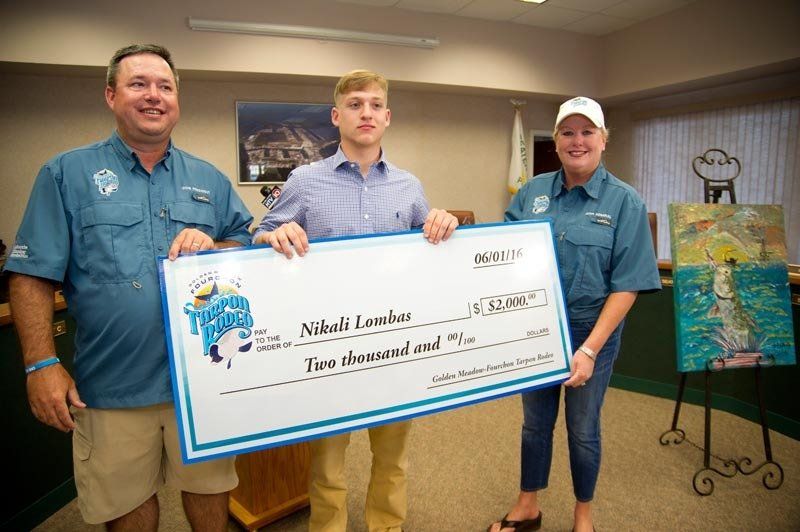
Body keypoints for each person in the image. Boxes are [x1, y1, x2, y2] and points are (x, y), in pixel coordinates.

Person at [5, 44, 253, 530]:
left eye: (165, 86)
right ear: (111, 95)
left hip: (201, 381)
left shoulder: (210, 179)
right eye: (138, 84)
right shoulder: (65, 174)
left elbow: (244, 245)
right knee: (125, 504)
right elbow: (31, 274)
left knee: (210, 489)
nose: (153, 96)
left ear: (178, 99)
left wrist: (216, 245)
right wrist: (40, 363)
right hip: (113, 387)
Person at [253, 69, 458, 532]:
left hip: (394, 346)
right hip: (328, 347)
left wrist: (443, 223)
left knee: (393, 457)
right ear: (336, 115)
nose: (365, 112)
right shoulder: (304, 180)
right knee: (327, 464)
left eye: (374, 104)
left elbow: (433, 250)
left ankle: (386, 526)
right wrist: (273, 233)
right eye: (354, 104)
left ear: (387, 117)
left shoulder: (409, 186)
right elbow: (259, 234)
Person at [488, 96, 660, 532]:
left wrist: (588, 349)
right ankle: (528, 505)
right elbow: (501, 258)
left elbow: (628, 284)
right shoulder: (531, 193)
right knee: (535, 424)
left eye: (587, 132)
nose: (577, 141)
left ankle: (584, 515)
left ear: (603, 140)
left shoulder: (625, 202)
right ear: (558, 140)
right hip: (537, 330)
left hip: (591, 334)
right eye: (568, 132)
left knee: (583, 428)